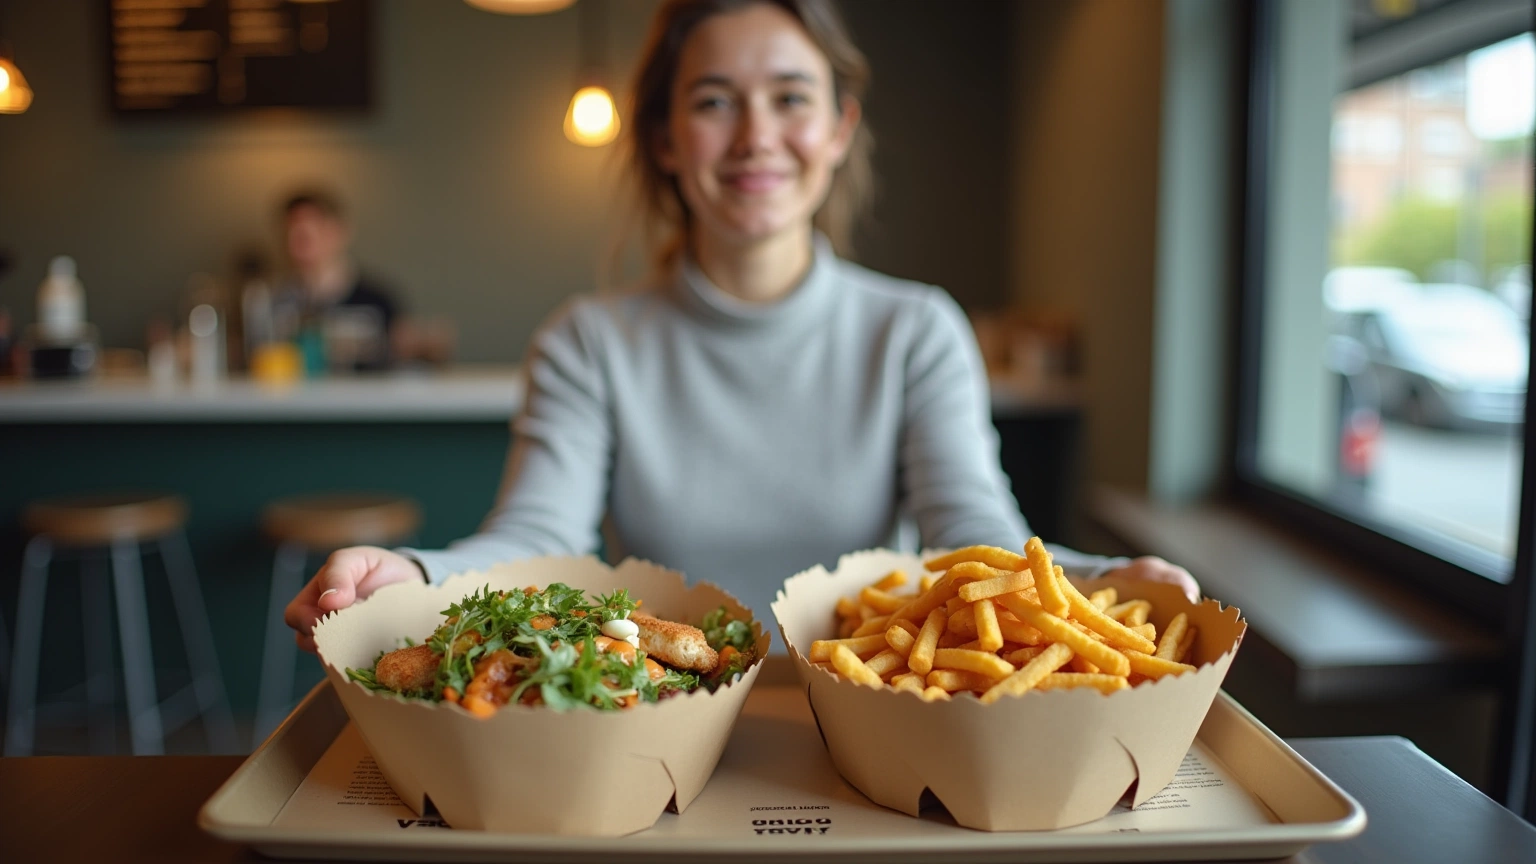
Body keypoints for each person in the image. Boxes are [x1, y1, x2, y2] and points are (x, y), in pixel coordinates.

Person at [285, 0, 1198, 652]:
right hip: (659, 726)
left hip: (867, 726)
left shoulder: (916, 329)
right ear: (667, 139)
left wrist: (1097, 582)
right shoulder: (588, 339)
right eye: (715, 100)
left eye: (792, 97)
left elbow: (976, 539)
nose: (757, 134)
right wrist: (415, 572)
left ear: (839, 128)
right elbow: (538, 539)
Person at [273, 188, 401, 371]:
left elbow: (399, 367)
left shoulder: (378, 299)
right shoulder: (272, 301)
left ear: (340, 231)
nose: (299, 243)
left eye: (310, 232)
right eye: (292, 232)